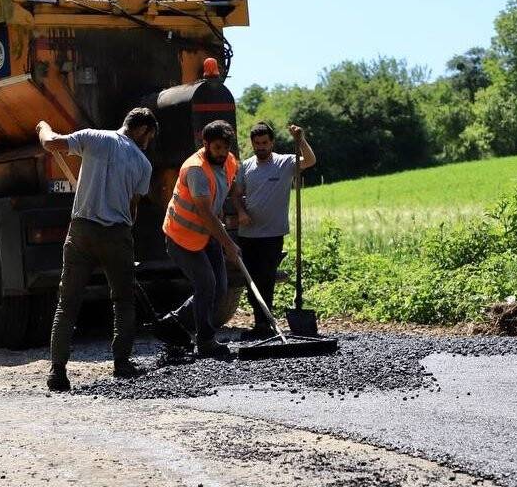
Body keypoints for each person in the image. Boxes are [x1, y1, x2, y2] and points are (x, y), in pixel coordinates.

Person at [37, 108, 157, 390]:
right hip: (117, 235)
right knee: (123, 301)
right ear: (142, 131)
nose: (148, 142)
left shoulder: (94, 138)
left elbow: (51, 142)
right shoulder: (143, 163)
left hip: (81, 232)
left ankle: (57, 372)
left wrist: (43, 125)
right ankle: (122, 364)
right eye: (149, 136)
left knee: (67, 303)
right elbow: (133, 207)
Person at [153, 120, 242, 357]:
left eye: (225, 148)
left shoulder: (230, 161)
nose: (221, 154)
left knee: (220, 288)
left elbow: (221, 195)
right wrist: (229, 244)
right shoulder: (196, 169)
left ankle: (171, 324)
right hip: (181, 236)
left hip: (207, 234)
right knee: (206, 284)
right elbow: (204, 212)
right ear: (205, 144)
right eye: (216, 148)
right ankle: (206, 341)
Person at [232, 122, 317, 339]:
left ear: (272, 143)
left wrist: (301, 139)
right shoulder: (246, 167)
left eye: (264, 143)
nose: (261, 147)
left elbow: (310, 160)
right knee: (251, 281)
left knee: (266, 278)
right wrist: (241, 212)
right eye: (257, 143)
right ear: (252, 144)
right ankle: (261, 321)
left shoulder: (285, 163)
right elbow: (236, 194)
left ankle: (264, 325)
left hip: (272, 233)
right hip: (248, 234)